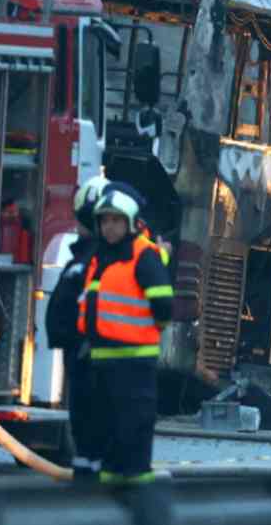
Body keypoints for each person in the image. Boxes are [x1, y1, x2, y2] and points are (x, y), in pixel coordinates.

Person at [73, 183, 173, 484]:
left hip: (135, 360)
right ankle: (110, 483)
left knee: (134, 422)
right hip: (102, 359)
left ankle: (135, 484)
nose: (110, 227)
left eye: (116, 220)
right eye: (105, 221)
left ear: (129, 222)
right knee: (107, 424)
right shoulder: (100, 257)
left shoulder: (143, 256)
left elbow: (164, 305)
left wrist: (145, 333)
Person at [45, 174, 109, 475]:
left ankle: (92, 489)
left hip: (92, 361)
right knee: (85, 431)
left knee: (92, 430)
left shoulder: (101, 262)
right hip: (82, 358)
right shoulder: (86, 260)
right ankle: (87, 485)